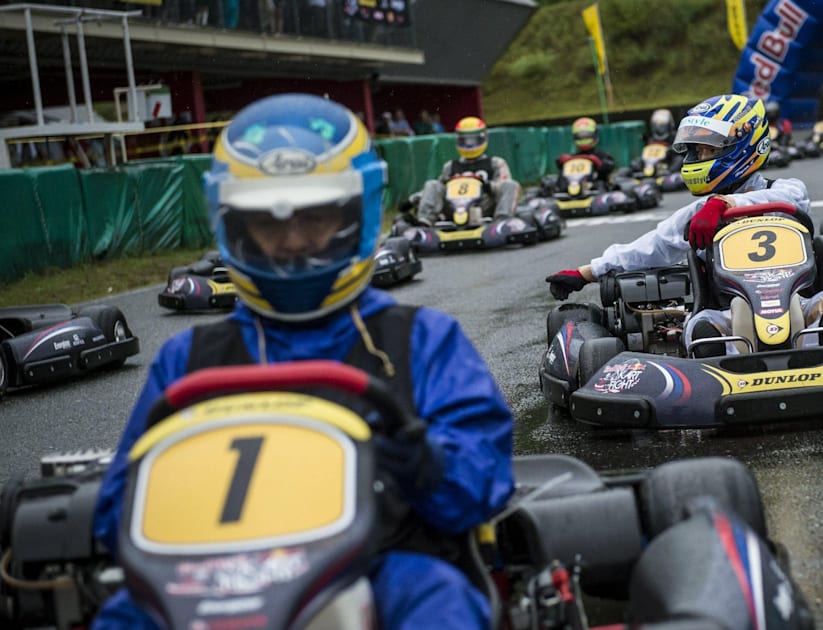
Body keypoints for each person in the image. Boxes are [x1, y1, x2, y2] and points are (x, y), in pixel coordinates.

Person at [90, 93, 513, 628]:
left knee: (438, 601)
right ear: (234, 228)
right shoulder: (189, 360)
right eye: (267, 223)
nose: (291, 243)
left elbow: (482, 485)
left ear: (352, 216)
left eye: (312, 219)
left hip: (378, 563)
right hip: (212, 573)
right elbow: (116, 514)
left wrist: (422, 459)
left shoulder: (420, 340)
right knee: (125, 616)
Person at [545, 94, 823, 356]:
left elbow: (791, 198)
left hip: (797, 296)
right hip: (729, 306)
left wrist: (726, 204)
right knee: (699, 325)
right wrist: (588, 272)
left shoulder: (786, 189)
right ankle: (720, 358)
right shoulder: (699, 212)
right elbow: (654, 246)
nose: (699, 157)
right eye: (697, 151)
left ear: (744, 146)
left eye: (710, 151)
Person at [416, 115, 521, 224]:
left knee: (511, 185)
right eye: (465, 140)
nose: (469, 144)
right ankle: (425, 222)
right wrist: (413, 199)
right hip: (453, 208)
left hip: (483, 206)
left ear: (483, 138)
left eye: (473, 140)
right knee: (432, 184)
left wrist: (487, 185)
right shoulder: (450, 166)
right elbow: (436, 190)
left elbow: (503, 186)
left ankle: (502, 221)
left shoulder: (496, 163)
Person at [556, 116, 616, 187]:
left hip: (596, 190)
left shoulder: (601, 155)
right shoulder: (572, 158)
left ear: (595, 135)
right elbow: (559, 163)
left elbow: (610, 165)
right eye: (580, 136)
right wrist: (561, 161)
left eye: (587, 136)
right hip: (573, 188)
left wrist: (599, 163)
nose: (583, 139)